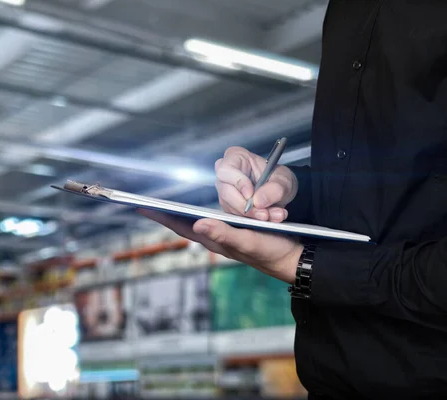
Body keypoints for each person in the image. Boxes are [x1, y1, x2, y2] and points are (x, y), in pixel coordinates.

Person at [139, 2, 447, 399]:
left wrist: (299, 265)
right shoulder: (347, 12)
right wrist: (291, 186)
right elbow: (391, 185)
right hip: (330, 376)